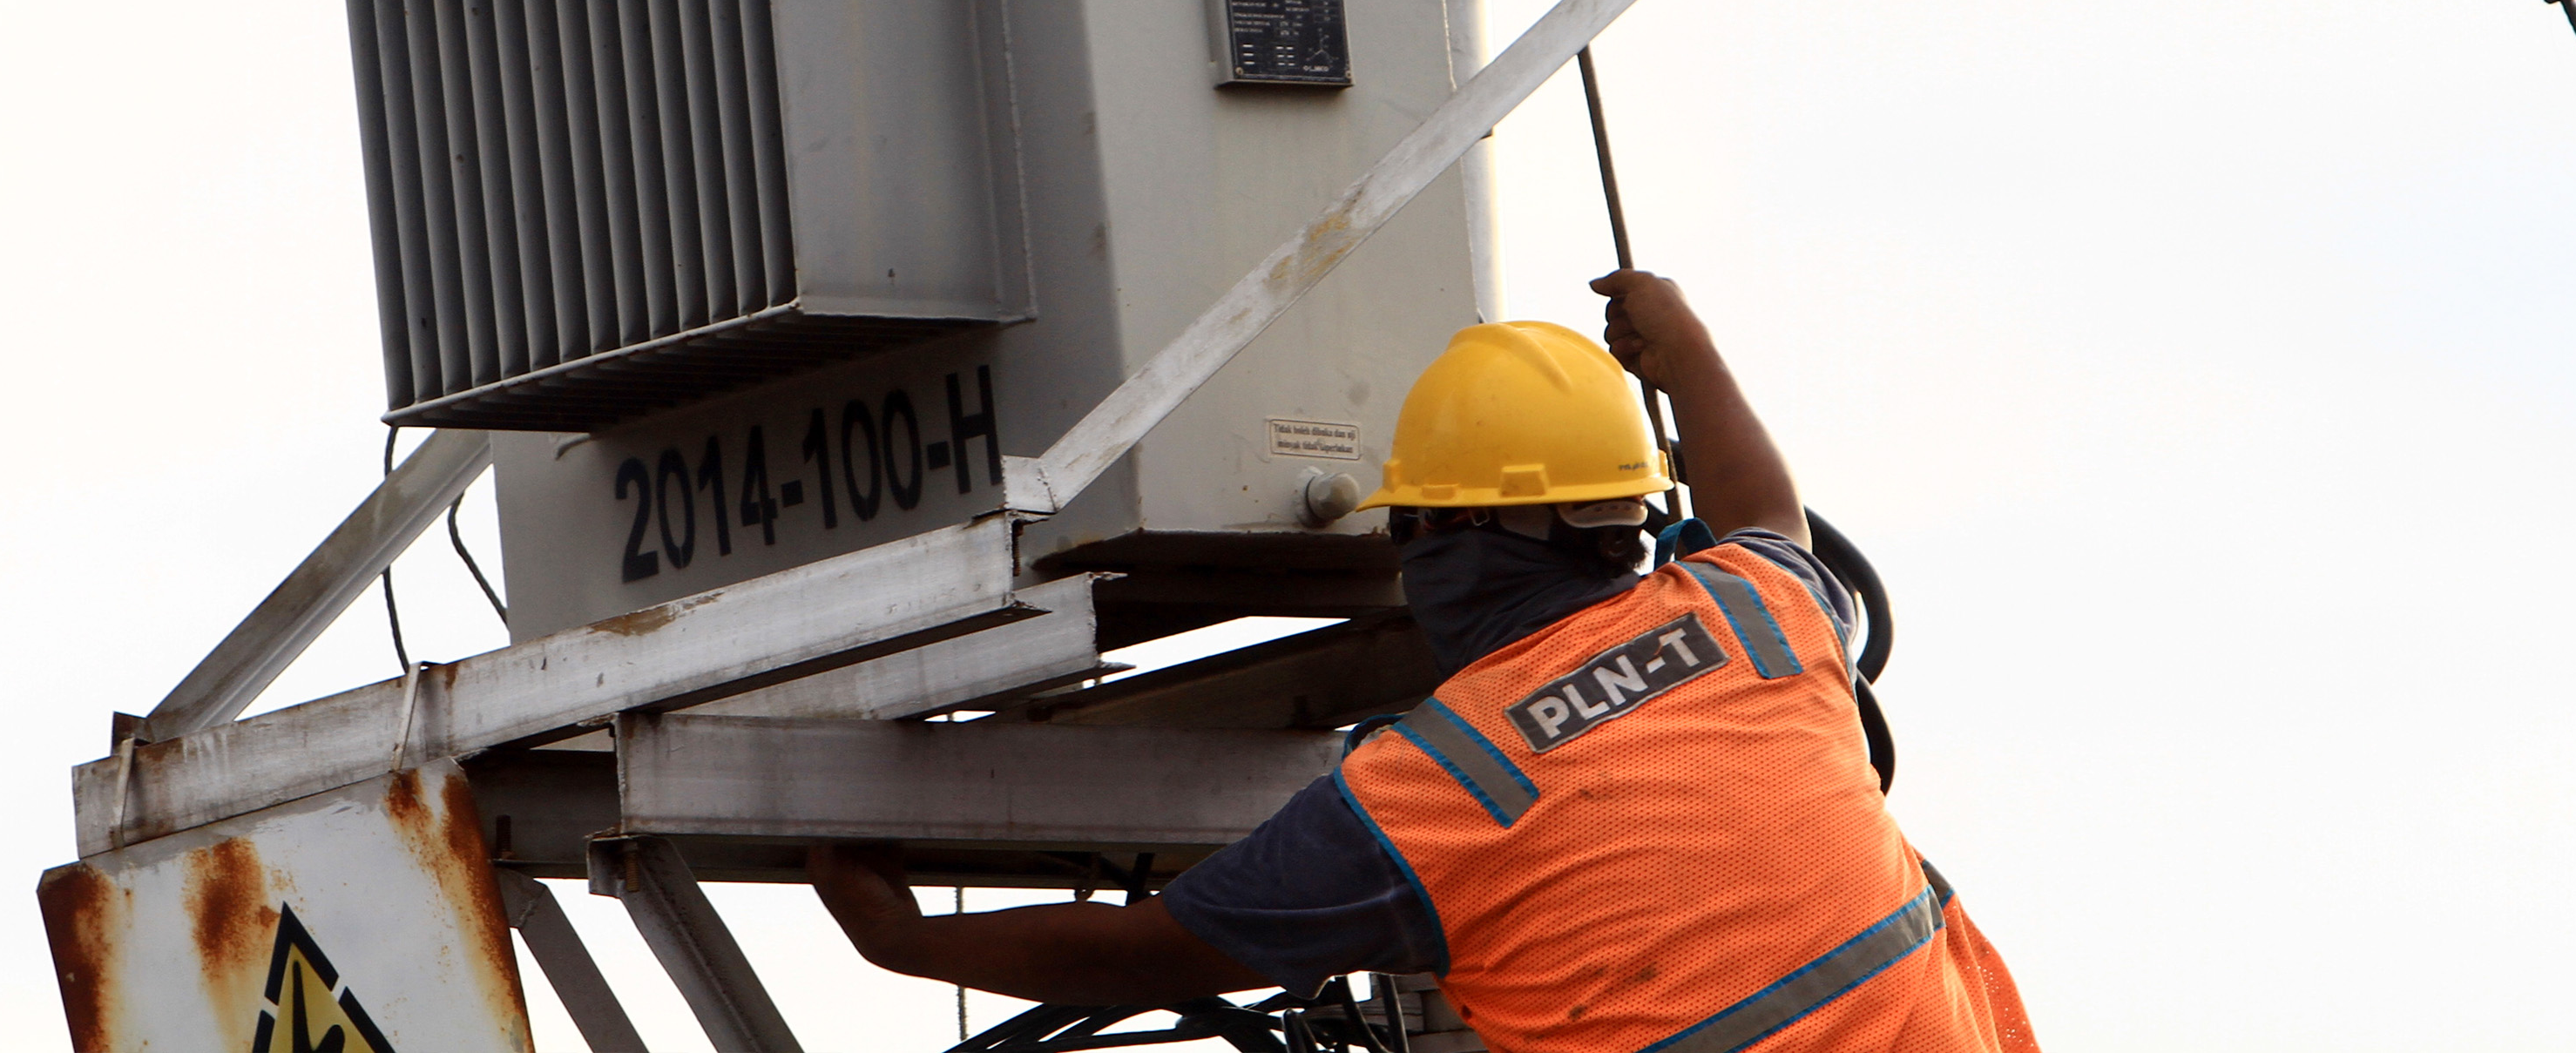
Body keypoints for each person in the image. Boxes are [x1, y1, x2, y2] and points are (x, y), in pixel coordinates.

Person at [808, 269, 2041, 1053]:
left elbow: (1154, 948)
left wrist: (903, 942)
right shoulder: (1757, 615)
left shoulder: (1430, 789)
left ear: (1465, 539)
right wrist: (1692, 351)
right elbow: (1767, 508)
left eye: (1412, 526)